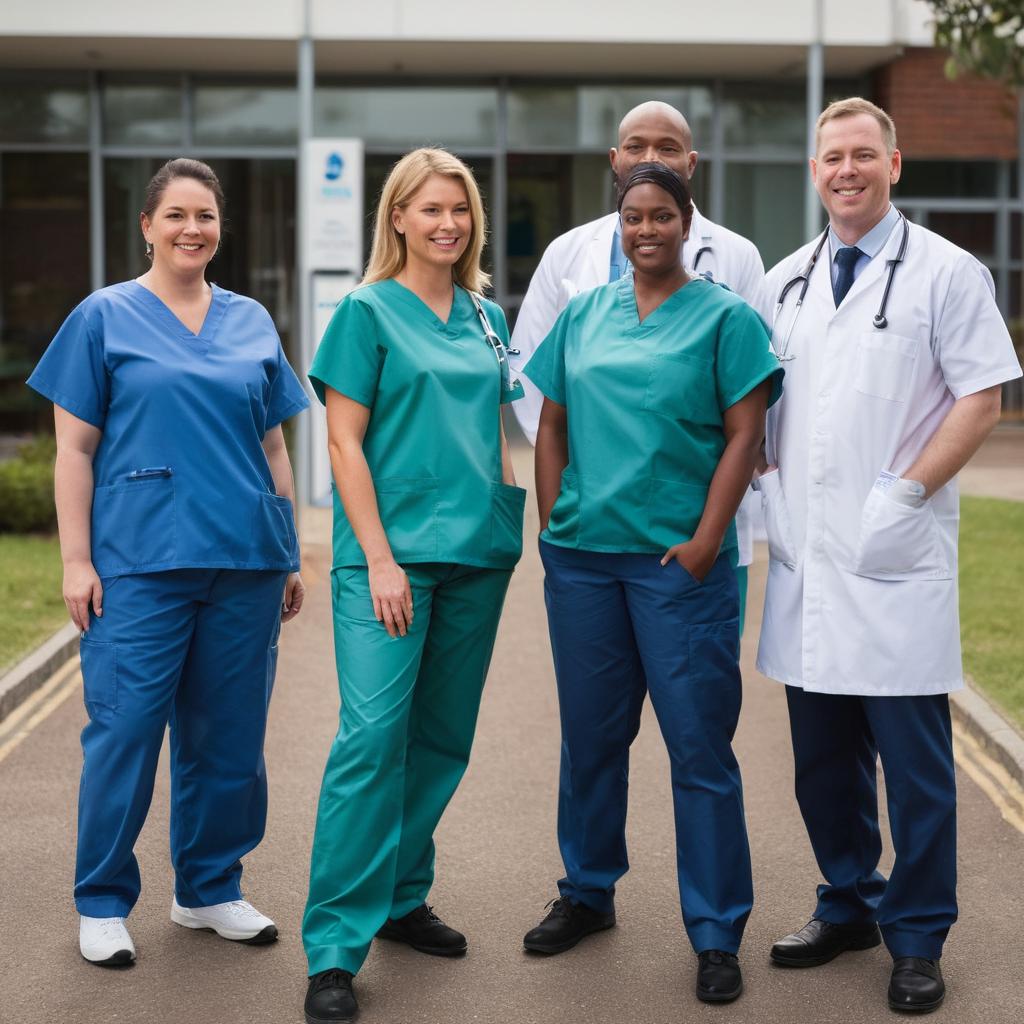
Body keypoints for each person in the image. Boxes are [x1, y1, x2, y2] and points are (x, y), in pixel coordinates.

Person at [755, 98, 1022, 1014]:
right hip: (807, 561)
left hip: (893, 553)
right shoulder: (784, 282)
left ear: (894, 164)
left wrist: (903, 492)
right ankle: (846, 904)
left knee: (915, 774)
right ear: (816, 170)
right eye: (833, 157)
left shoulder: (946, 273)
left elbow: (981, 396)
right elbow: (762, 411)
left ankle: (916, 937)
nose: (847, 171)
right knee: (822, 765)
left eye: (864, 155)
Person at [25, 158, 309, 967]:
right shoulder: (102, 317)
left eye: (207, 217)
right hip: (139, 563)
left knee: (229, 741)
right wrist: (77, 561)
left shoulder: (251, 319)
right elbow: (73, 451)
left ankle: (209, 889)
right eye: (177, 215)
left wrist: (287, 549)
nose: (194, 229)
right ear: (147, 225)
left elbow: (274, 446)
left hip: (245, 561)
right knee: (124, 731)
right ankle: (103, 900)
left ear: (221, 229)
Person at [521, 162, 783, 1005]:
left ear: (686, 221)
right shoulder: (585, 314)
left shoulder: (726, 319)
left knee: (699, 749)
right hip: (586, 564)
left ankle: (715, 930)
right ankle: (587, 892)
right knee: (592, 740)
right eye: (633, 217)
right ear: (619, 222)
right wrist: (554, 520)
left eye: (662, 216)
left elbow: (747, 434)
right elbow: (551, 420)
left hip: (680, 567)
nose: (646, 231)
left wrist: (710, 539)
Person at [301, 148, 525, 1024]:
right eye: (430, 209)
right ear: (396, 217)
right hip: (388, 560)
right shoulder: (364, 313)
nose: (447, 224)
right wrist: (382, 558)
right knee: (370, 740)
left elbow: (494, 424)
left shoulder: (483, 314)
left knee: (440, 739)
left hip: (477, 549)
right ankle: (333, 950)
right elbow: (343, 443)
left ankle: (399, 897)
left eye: (459, 210)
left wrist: (510, 509)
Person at [510, 99, 766, 627]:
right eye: (636, 146)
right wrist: (578, 487)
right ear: (614, 159)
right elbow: (534, 372)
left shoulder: (736, 256)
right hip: (590, 518)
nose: (653, 157)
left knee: (694, 696)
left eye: (668, 148)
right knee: (599, 697)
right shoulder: (566, 252)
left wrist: (709, 525)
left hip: (693, 521)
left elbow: (753, 394)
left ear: (691, 164)